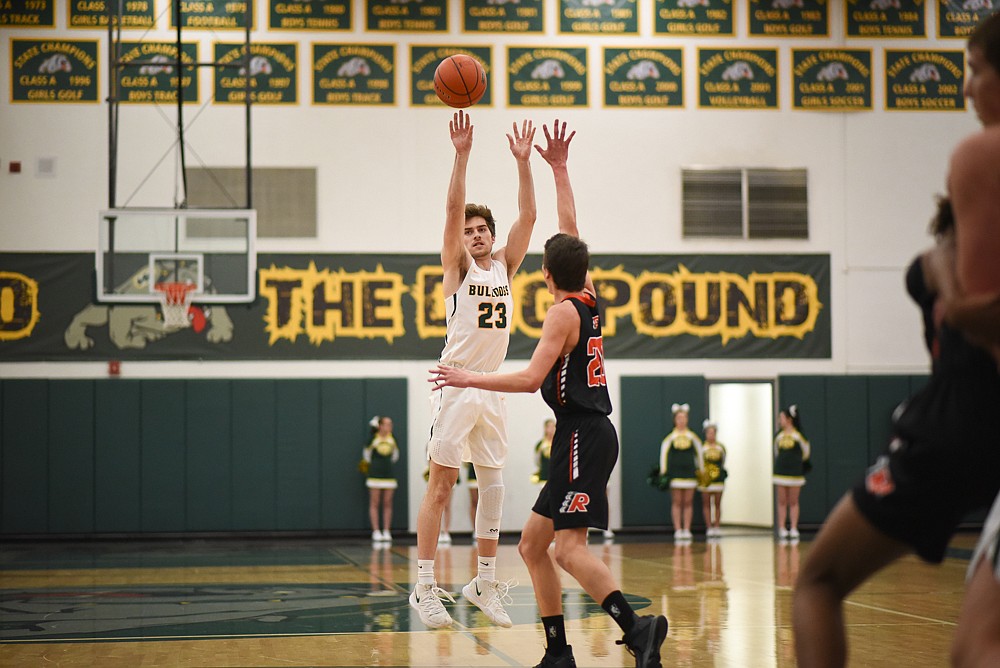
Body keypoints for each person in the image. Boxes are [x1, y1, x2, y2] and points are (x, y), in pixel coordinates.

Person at [429, 120, 668, 668]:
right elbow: (570, 229)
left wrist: (467, 377)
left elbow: (529, 380)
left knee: (566, 548)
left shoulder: (563, 313)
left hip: (584, 433)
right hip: (579, 435)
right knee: (533, 546)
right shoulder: (587, 294)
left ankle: (638, 627)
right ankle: (558, 652)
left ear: (542, 274)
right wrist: (559, 169)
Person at [792, 195, 1000, 666]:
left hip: (948, 434)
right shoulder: (941, 265)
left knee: (818, 582)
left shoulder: (936, 263)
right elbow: (957, 296)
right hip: (957, 429)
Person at [409, 110, 538, 630]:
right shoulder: (456, 267)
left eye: (483, 229)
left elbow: (528, 218)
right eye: (470, 230)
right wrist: (461, 155)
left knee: (495, 488)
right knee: (441, 486)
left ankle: (484, 580)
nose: (477, 235)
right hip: (456, 382)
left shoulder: (505, 266)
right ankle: (423, 586)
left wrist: (524, 164)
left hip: (490, 386)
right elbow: (451, 206)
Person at [659, 403, 703, 542]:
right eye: (679, 418)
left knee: (688, 502)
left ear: (687, 419)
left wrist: (701, 470)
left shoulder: (692, 436)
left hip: (689, 473)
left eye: (684, 418)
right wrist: (664, 471)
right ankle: (678, 529)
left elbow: (699, 454)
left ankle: (687, 529)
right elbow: (664, 453)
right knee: (677, 501)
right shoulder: (671, 437)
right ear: (675, 420)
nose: (681, 420)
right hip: (676, 473)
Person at [773, 405, 810, 541]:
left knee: (793, 501)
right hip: (780, 472)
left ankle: (793, 528)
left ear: (789, 419)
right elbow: (776, 451)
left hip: (795, 473)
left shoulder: (799, 435)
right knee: (782, 501)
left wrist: (796, 463)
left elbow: (806, 452)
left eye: (781, 418)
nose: (779, 420)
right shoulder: (779, 436)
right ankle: (782, 528)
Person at [362, 415, 399, 543]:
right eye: (387, 424)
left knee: (388, 503)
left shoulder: (392, 440)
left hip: (388, 475)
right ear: (380, 426)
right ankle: (376, 531)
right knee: (374, 502)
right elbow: (366, 456)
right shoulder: (373, 440)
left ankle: (387, 530)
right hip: (375, 476)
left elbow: (395, 456)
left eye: (391, 424)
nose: (390, 427)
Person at [697, 419, 727, 539]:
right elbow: (699, 462)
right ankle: (709, 526)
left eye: (713, 432)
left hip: (718, 479)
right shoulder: (702, 448)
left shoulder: (721, 448)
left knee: (717, 503)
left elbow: (723, 460)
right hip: (706, 479)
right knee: (707, 503)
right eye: (709, 433)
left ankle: (717, 526)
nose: (711, 435)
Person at [531, 418, 555, 485]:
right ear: (545, 429)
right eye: (549, 427)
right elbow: (537, 461)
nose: (552, 429)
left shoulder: (558, 444)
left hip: (556, 477)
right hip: (544, 477)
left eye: (553, 426)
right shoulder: (540, 445)